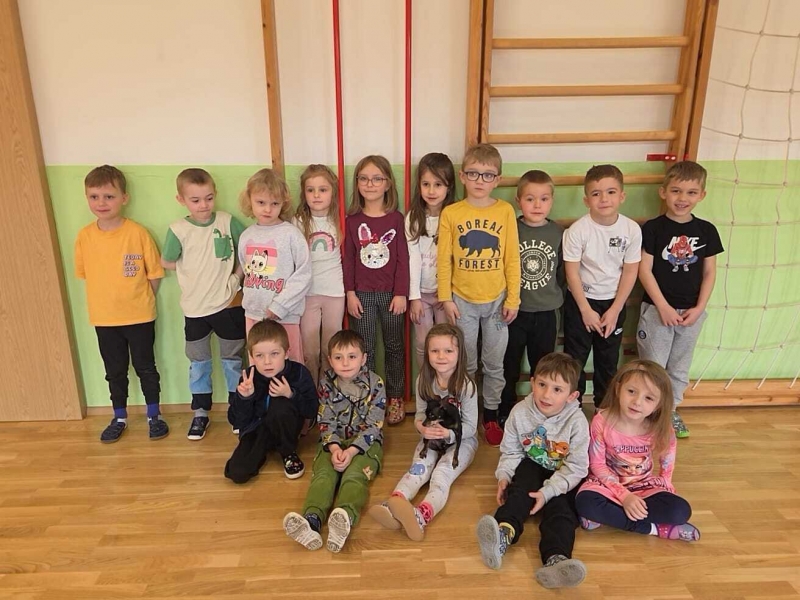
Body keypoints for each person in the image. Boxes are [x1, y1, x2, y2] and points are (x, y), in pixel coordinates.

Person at [476, 352, 589, 589]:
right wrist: (504, 476)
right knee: (519, 493)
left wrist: (548, 492)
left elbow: (577, 467)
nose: (546, 395)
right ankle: (502, 534)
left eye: (557, 389)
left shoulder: (577, 422)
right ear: (533, 382)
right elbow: (511, 451)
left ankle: (556, 559)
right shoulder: (520, 412)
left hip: (564, 474)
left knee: (562, 512)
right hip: (532, 464)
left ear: (572, 396)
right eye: (542, 384)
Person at [75, 165, 168, 443]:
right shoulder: (85, 236)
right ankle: (119, 417)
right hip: (104, 318)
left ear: (124, 198)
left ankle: (154, 416)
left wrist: (140, 301)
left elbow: (154, 275)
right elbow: (85, 274)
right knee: (114, 372)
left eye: (109, 196)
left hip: (140, 316)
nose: (101, 203)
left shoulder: (138, 233)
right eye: (94, 197)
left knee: (146, 367)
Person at [437, 143, 520, 446]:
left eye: (487, 175)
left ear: (497, 179)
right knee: (467, 363)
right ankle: (466, 410)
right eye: (473, 173)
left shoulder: (505, 211)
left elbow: (512, 258)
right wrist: (446, 298)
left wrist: (513, 299)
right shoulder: (452, 213)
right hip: (462, 301)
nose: (480, 180)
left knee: (495, 363)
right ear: (462, 176)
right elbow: (444, 259)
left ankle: (491, 413)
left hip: (497, 301)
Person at [636, 161, 723, 438]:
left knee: (679, 367)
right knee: (653, 366)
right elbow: (644, 270)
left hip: (691, 314)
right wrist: (662, 306)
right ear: (663, 192)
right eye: (676, 191)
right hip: (657, 311)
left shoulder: (707, 230)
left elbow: (709, 272)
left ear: (702, 195)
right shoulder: (653, 228)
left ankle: (670, 411)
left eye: (691, 192)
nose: (682, 198)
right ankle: (648, 413)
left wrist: (699, 308)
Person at [368, 323, 478, 541]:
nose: (441, 356)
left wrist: (448, 434)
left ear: (459, 354)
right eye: (435, 350)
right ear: (427, 353)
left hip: (461, 441)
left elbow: (471, 427)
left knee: (441, 475)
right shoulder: (423, 381)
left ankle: (421, 515)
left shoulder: (466, 386)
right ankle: (395, 503)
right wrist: (421, 427)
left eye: (448, 351)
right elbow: (419, 414)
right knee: (418, 469)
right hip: (431, 438)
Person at [161, 168, 246, 440]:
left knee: (233, 361)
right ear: (181, 199)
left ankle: (238, 410)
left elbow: (248, 249)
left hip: (228, 305)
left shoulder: (226, 221)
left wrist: (236, 277)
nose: (203, 205)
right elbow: (167, 261)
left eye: (208, 198)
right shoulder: (178, 230)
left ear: (215, 194)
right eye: (195, 200)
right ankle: (200, 413)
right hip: (194, 310)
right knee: (199, 364)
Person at [283, 330, 386, 553]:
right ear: (330, 360)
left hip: (365, 444)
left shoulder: (375, 383)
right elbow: (325, 420)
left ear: (363, 359)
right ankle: (312, 520)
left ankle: (344, 518)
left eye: (352, 356)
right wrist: (335, 447)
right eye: (339, 357)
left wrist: (351, 452)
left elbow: (374, 425)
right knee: (324, 476)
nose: (345, 363)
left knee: (354, 476)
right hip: (333, 441)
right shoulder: (326, 383)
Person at [575, 360, 700, 542]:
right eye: (631, 391)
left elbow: (667, 464)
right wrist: (625, 497)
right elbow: (597, 465)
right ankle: (653, 529)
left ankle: (610, 517)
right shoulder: (601, 421)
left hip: (644, 486)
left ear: (658, 404)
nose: (637, 402)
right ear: (618, 389)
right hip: (606, 486)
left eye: (648, 398)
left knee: (680, 511)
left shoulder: (661, 427)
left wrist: (666, 487)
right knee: (585, 503)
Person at [562, 164, 641, 408]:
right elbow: (571, 273)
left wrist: (615, 309)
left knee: (607, 360)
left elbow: (630, 271)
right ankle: (572, 410)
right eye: (596, 193)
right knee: (575, 359)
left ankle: (603, 410)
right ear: (587, 200)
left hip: (613, 304)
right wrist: (585, 310)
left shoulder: (631, 230)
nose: (604, 199)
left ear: (622, 196)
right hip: (581, 303)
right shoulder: (578, 231)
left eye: (611, 192)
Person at [343, 155, 409, 424]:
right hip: (361, 296)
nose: (370, 184)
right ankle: (370, 398)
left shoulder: (396, 219)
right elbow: (348, 260)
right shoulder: (352, 220)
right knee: (366, 349)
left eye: (377, 178)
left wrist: (401, 293)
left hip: (392, 296)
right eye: (364, 178)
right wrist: (350, 293)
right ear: (357, 183)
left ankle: (395, 397)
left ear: (388, 184)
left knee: (394, 347)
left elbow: (403, 259)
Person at [500, 169, 565, 426]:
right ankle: (505, 409)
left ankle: (540, 413)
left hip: (547, 313)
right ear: (518, 201)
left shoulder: (558, 233)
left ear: (552, 201)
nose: (537, 205)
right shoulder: (510, 229)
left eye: (544, 199)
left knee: (544, 369)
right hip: (514, 312)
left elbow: (562, 273)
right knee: (509, 365)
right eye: (530, 199)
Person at [224, 320, 317, 483]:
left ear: (286, 353)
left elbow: (312, 410)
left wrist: (291, 395)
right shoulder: (248, 377)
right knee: (237, 472)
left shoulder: (298, 373)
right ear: (252, 356)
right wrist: (245, 398)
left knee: (280, 404)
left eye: (274, 354)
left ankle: (288, 453)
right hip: (257, 431)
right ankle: (262, 451)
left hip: (286, 430)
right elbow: (236, 420)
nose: (267, 362)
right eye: (260, 356)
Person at [238, 168, 311, 363]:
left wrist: (279, 306)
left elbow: (303, 275)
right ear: (250, 200)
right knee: (259, 365)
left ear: (283, 203)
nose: (267, 209)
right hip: (253, 315)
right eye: (261, 202)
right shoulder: (246, 236)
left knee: (290, 365)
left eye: (274, 203)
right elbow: (247, 270)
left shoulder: (291, 235)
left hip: (285, 317)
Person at [294, 164, 345, 386]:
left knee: (330, 349)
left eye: (323, 190)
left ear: (333, 192)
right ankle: (311, 392)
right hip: (307, 294)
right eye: (310, 190)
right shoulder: (297, 222)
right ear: (303, 193)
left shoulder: (340, 219)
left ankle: (328, 393)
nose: (316, 195)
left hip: (334, 292)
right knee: (310, 351)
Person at [405, 153, 457, 365]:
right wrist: (414, 297)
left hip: (446, 294)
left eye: (438, 184)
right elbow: (413, 258)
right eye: (426, 184)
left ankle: (447, 383)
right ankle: (426, 383)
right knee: (423, 342)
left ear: (449, 187)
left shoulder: (455, 215)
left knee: (447, 343)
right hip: (422, 294)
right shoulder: (413, 218)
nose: (431, 191)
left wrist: (448, 294)